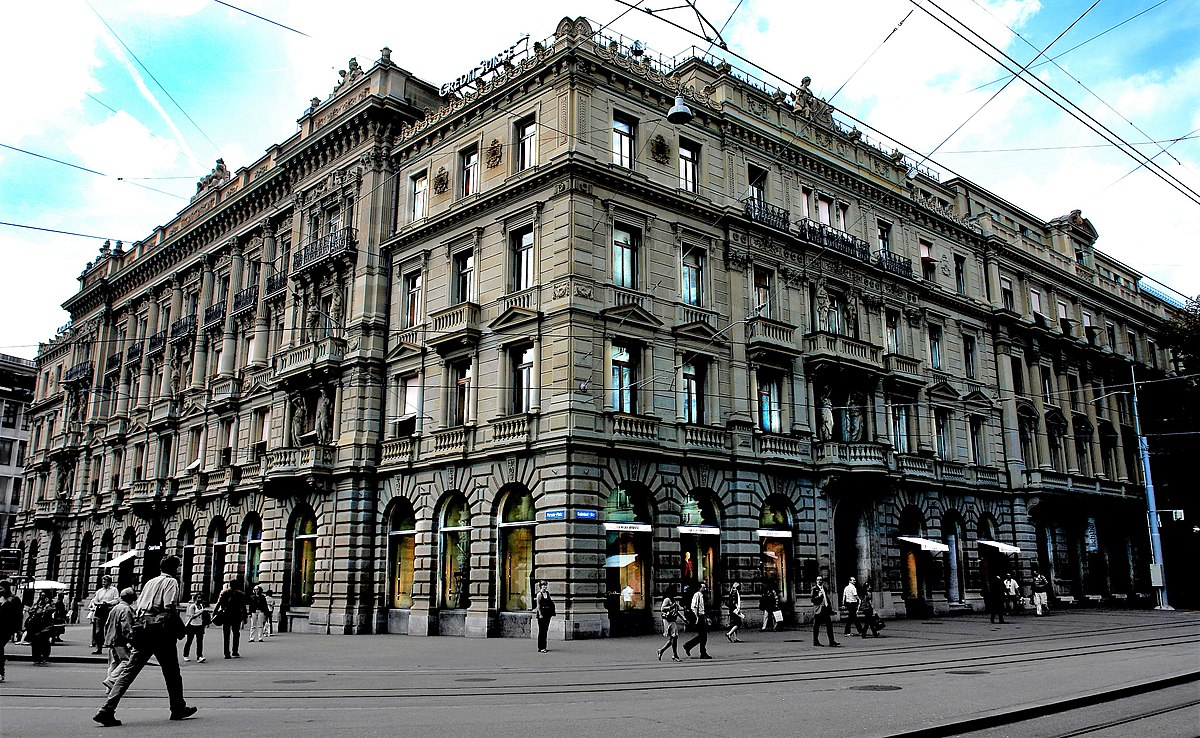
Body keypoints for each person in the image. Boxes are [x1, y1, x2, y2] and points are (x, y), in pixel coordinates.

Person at [93, 554, 197, 727]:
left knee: (129, 671)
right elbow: (169, 606)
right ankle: (177, 707)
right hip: (161, 632)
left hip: (144, 629)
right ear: (174, 568)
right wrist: (180, 628)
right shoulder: (171, 582)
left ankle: (107, 709)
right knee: (172, 672)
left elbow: (139, 607)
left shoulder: (150, 582)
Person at [102, 588, 137, 691]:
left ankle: (109, 688)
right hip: (120, 640)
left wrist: (107, 637)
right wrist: (130, 640)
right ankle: (111, 680)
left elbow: (107, 624)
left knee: (114, 663)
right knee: (127, 661)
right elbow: (126, 627)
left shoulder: (115, 608)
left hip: (111, 638)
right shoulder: (126, 609)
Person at [214, 579, 248, 659]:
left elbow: (219, 603)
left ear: (230, 585)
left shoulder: (225, 593)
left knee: (226, 635)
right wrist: (245, 616)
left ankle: (226, 653)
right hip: (236, 615)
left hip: (226, 615)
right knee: (236, 633)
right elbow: (243, 607)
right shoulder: (241, 594)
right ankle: (235, 651)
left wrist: (215, 613)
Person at [89, 575, 121, 655]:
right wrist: (98, 603)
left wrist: (108, 603)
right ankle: (98, 648)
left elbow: (116, 600)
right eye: (103, 582)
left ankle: (112, 649)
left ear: (109, 582)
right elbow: (94, 600)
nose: (103, 583)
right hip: (100, 611)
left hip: (109, 610)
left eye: (105, 582)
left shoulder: (114, 590)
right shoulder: (99, 591)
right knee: (98, 631)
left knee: (110, 629)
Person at [1, 580, 25, 683]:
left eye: (1, 588)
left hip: (6, 628)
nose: (0, 590)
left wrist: (19, 630)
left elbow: (18, 615)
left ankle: (1, 672)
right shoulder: (0, 598)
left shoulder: (14, 599)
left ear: (7, 588)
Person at [26, 590, 57, 665]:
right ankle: (36, 657)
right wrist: (36, 609)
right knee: (35, 642)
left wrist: (46, 606)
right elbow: (31, 610)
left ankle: (44, 657)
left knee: (44, 641)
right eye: (41, 595)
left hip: (45, 625)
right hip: (36, 625)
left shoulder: (50, 604)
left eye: (44, 595)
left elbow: (52, 610)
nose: (42, 597)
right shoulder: (37, 603)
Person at [682, 582, 712, 659]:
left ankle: (689, 646)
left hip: (702, 616)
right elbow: (694, 607)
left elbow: (703, 608)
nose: (705, 589)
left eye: (705, 587)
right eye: (703, 587)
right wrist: (696, 617)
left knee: (702, 636)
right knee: (703, 635)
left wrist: (706, 617)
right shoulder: (697, 595)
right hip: (699, 617)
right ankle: (701, 652)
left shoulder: (702, 596)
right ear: (699, 588)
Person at [810, 576, 840, 647]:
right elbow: (812, 600)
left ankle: (831, 641)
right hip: (818, 609)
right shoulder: (814, 589)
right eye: (818, 580)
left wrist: (829, 608)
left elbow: (827, 598)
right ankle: (815, 641)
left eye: (820, 580)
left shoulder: (825, 588)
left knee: (829, 625)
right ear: (816, 581)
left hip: (825, 609)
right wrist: (819, 596)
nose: (819, 581)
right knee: (816, 626)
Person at [656, 587, 682, 662]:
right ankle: (675, 655)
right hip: (668, 620)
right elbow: (662, 608)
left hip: (672, 620)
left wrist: (683, 618)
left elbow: (676, 611)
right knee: (674, 637)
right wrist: (671, 607)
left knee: (673, 638)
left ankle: (662, 650)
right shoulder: (667, 599)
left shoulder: (673, 600)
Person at [182, 594, 208, 663]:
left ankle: (199, 656)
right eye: (198, 598)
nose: (200, 599)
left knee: (199, 642)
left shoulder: (202, 606)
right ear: (195, 599)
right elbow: (192, 616)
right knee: (189, 641)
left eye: (201, 598)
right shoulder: (192, 606)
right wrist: (201, 612)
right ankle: (185, 655)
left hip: (200, 625)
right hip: (192, 625)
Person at [532, 580, 555, 653]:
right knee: (542, 630)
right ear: (540, 586)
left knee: (545, 630)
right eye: (543, 585)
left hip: (547, 614)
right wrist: (540, 614)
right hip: (542, 614)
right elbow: (538, 605)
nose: (544, 587)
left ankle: (544, 646)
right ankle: (541, 647)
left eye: (545, 585)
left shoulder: (547, 593)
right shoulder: (539, 594)